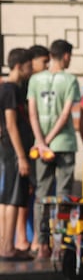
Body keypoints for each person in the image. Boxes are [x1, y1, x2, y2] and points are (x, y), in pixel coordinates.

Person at [27, 39, 79, 260]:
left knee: (41, 194)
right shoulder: (70, 80)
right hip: (64, 143)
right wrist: (49, 140)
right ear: (66, 56)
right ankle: (60, 245)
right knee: (63, 195)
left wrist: (41, 142)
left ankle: (41, 245)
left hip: (41, 147)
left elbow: (33, 114)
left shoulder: (35, 79)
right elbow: (66, 114)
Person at [14, 46, 51, 254]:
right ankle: (23, 238)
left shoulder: (41, 83)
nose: (46, 66)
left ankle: (37, 238)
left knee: (34, 191)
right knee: (23, 192)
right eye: (43, 62)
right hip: (24, 146)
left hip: (36, 145)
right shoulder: (22, 85)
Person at [0, 49, 35, 261]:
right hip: (13, 151)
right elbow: (11, 124)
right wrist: (22, 156)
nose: (31, 70)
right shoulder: (11, 90)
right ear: (19, 66)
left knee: (5, 199)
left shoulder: (6, 88)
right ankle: (7, 248)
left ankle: (4, 244)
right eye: (29, 66)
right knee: (13, 199)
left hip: (7, 149)